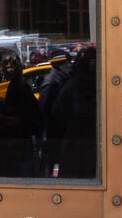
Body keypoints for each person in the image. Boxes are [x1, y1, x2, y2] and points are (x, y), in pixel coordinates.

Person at [57, 47, 99, 179]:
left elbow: (57, 112)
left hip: (79, 140)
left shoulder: (72, 84)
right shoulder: (75, 85)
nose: (93, 64)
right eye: (91, 61)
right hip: (80, 140)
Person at [38, 50, 73, 178]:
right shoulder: (52, 82)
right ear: (59, 65)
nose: (69, 65)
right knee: (48, 166)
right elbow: (43, 110)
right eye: (67, 63)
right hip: (52, 133)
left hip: (59, 132)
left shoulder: (62, 79)